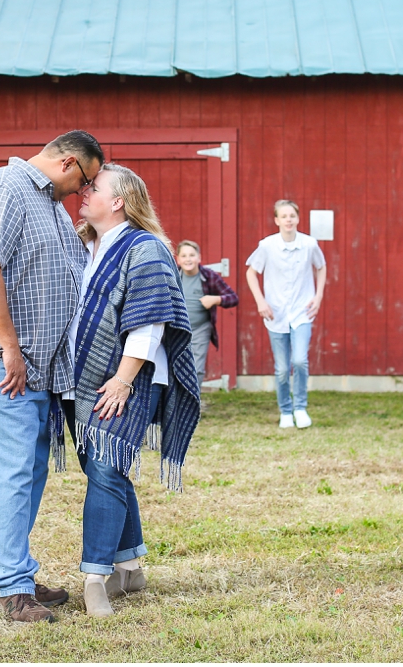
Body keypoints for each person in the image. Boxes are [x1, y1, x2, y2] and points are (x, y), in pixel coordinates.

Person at [0, 131, 105, 624]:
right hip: (1, 365)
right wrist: (10, 347)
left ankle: (4, 573)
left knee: (26, 475)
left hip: (36, 371)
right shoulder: (6, 188)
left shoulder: (51, 206)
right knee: (11, 474)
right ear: (66, 162)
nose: (84, 193)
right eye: (86, 180)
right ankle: (13, 590)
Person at [64, 165, 201, 618]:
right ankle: (132, 567)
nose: (85, 193)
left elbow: (150, 322)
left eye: (94, 188)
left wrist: (122, 379)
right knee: (106, 466)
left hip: (129, 377)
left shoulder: (144, 249)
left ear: (119, 200)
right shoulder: (87, 245)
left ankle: (95, 578)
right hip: (80, 379)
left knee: (104, 467)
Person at [245, 200, 326, 429]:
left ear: (298, 218)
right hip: (276, 313)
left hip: (302, 312)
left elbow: (321, 266)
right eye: (284, 216)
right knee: (282, 368)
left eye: (292, 215)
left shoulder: (309, 244)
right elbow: (251, 273)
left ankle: (300, 407)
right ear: (277, 220)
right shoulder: (267, 246)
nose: (288, 220)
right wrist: (261, 301)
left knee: (299, 360)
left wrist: (318, 296)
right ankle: (285, 411)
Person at [174, 241, 238, 390]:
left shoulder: (209, 277)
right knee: (175, 367)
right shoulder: (174, 276)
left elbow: (233, 297)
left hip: (200, 329)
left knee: (196, 368)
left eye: (192, 255)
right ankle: (176, 406)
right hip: (176, 329)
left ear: (199, 258)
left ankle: (193, 404)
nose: (188, 259)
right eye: (184, 256)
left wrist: (216, 299)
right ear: (178, 259)